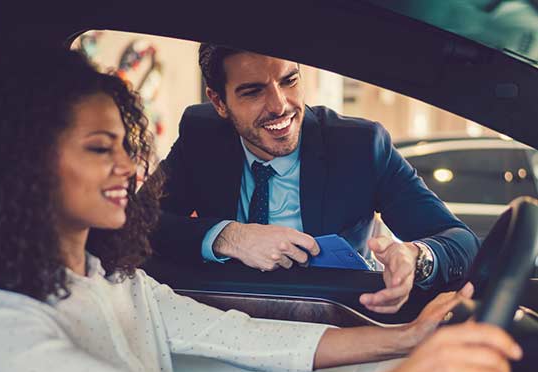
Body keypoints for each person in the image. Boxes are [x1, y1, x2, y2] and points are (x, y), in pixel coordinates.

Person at [0, 46, 520, 372]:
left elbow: (239, 334)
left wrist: (403, 338)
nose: (130, 169)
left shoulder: (107, 280)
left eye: (125, 146)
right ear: (22, 165)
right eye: (98, 149)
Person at [149, 44, 480, 314]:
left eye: (289, 81)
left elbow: (459, 241)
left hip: (331, 319)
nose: (280, 106)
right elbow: (138, 222)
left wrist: (415, 257)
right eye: (253, 92)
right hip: (221, 318)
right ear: (219, 102)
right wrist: (229, 237)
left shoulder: (360, 145)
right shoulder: (201, 134)